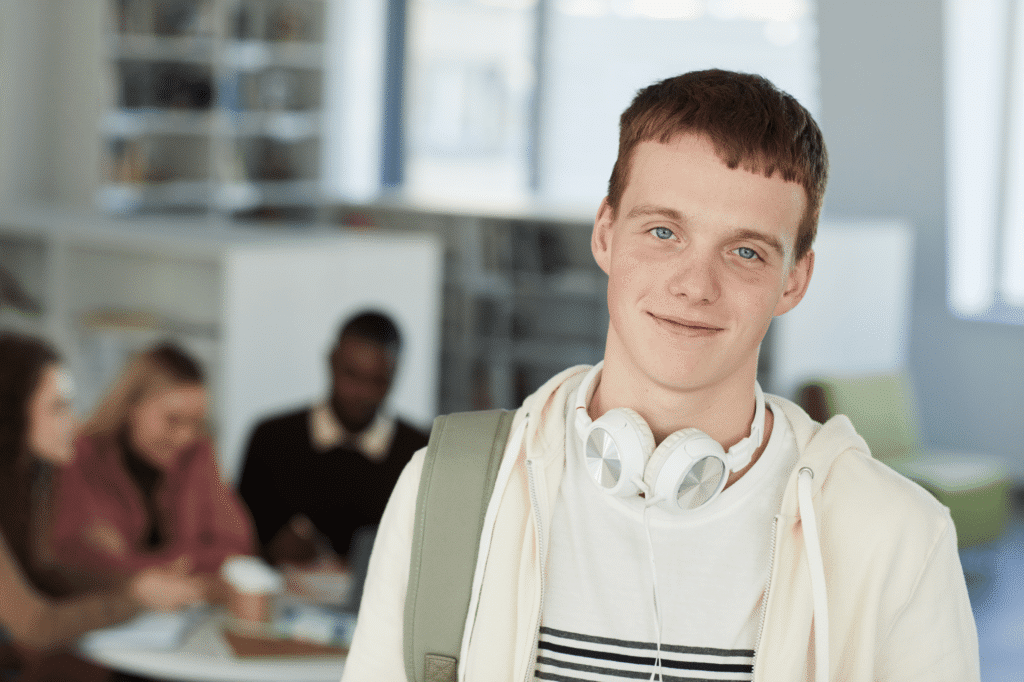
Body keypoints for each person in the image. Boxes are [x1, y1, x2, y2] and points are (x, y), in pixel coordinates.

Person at [341, 70, 980, 681]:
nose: (695, 285)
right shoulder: (448, 491)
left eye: (746, 251)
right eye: (664, 231)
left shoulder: (896, 538)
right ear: (605, 234)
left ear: (795, 279)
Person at [0, 332, 202, 656]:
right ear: (11, 414)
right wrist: (133, 600)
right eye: (58, 407)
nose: (75, 421)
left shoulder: (29, 483)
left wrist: (130, 584)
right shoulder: (79, 464)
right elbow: (36, 625)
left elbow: (44, 571)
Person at [47, 342, 255, 601]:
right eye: (173, 420)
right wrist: (175, 565)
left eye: (196, 422)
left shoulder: (197, 452)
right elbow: (75, 559)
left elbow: (236, 542)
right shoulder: (80, 457)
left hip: (179, 616)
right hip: (107, 618)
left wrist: (140, 564)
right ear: (131, 406)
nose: (185, 436)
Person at [238, 310, 429, 568]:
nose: (362, 393)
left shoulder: (419, 454)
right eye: (351, 375)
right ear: (330, 362)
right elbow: (237, 542)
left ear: (395, 376)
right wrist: (271, 548)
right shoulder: (272, 439)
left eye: (377, 381)